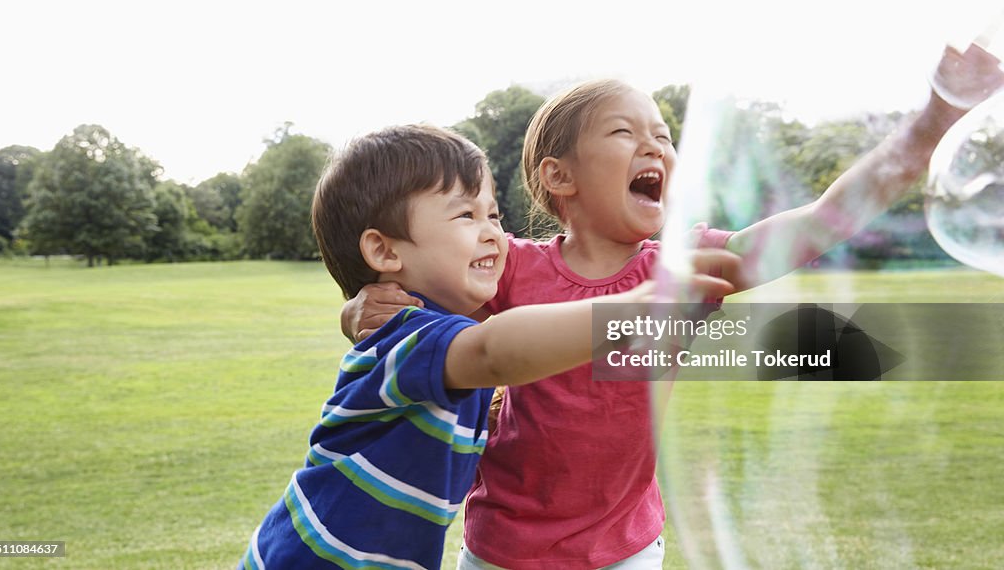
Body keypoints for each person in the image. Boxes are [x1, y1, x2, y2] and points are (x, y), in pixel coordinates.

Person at [342, 44, 1004, 569]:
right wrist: (362, 306)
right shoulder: (510, 266)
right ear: (559, 177)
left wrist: (934, 120)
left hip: (627, 549)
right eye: (625, 132)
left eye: (663, 134)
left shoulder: (681, 270)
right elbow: (419, 287)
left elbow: (823, 219)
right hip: (505, 550)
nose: (655, 146)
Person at [239, 124, 736, 569]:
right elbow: (496, 351)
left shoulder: (429, 338)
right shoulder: (410, 336)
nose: (494, 234)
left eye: (494, 215)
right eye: (465, 215)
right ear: (385, 251)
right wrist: (635, 305)